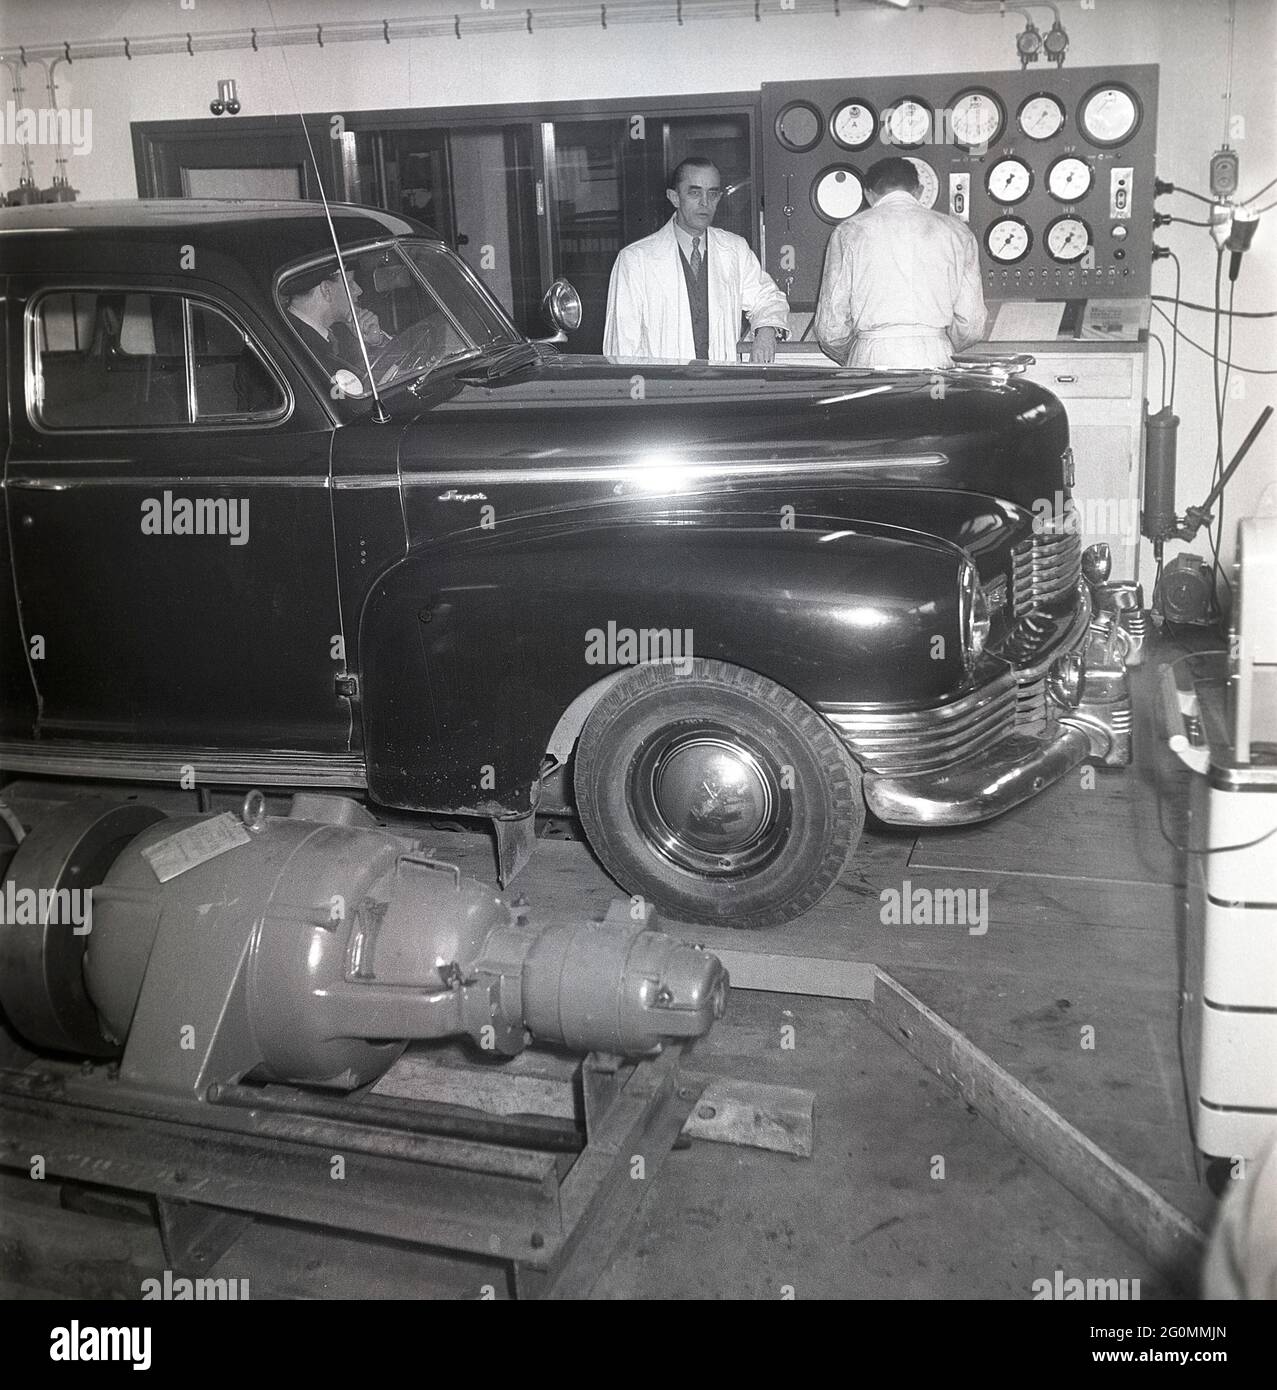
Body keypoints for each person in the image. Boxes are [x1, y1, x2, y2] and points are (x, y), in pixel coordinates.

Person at [603, 157, 790, 364]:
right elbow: (622, 347)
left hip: (721, 385)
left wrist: (765, 332)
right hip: (665, 389)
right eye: (695, 193)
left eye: (712, 193)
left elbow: (767, 298)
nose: (705, 203)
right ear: (674, 197)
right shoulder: (635, 260)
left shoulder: (734, 249)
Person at [814, 156, 987, 370]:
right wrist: (940, 344)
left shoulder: (849, 232)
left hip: (871, 357)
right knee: (935, 404)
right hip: (936, 359)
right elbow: (971, 325)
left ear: (868, 194)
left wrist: (859, 351)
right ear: (919, 191)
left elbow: (831, 328)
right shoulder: (958, 233)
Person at [282, 264, 390, 377]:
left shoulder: (340, 330)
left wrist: (377, 341)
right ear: (326, 290)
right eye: (349, 283)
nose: (359, 291)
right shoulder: (299, 352)